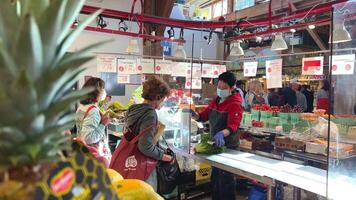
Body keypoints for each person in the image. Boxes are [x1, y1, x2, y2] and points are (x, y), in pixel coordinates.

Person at [110, 76, 174, 191]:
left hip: (128, 162)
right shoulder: (150, 114)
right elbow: (145, 147)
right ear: (157, 97)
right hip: (142, 168)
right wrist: (165, 157)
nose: (162, 103)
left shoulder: (132, 108)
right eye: (162, 99)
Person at [192, 72, 243, 200]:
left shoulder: (235, 103)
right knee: (215, 181)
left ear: (232, 88)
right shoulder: (217, 100)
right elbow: (204, 116)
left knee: (226, 182)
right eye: (218, 87)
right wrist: (194, 115)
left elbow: (234, 125)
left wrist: (222, 133)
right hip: (215, 146)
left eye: (223, 88)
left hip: (228, 147)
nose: (220, 90)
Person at [75, 77, 111, 167]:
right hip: (93, 153)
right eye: (103, 89)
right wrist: (103, 124)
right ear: (97, 92)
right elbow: (88, 137)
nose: (104, 91)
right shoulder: (93, 110)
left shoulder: (82, 107)